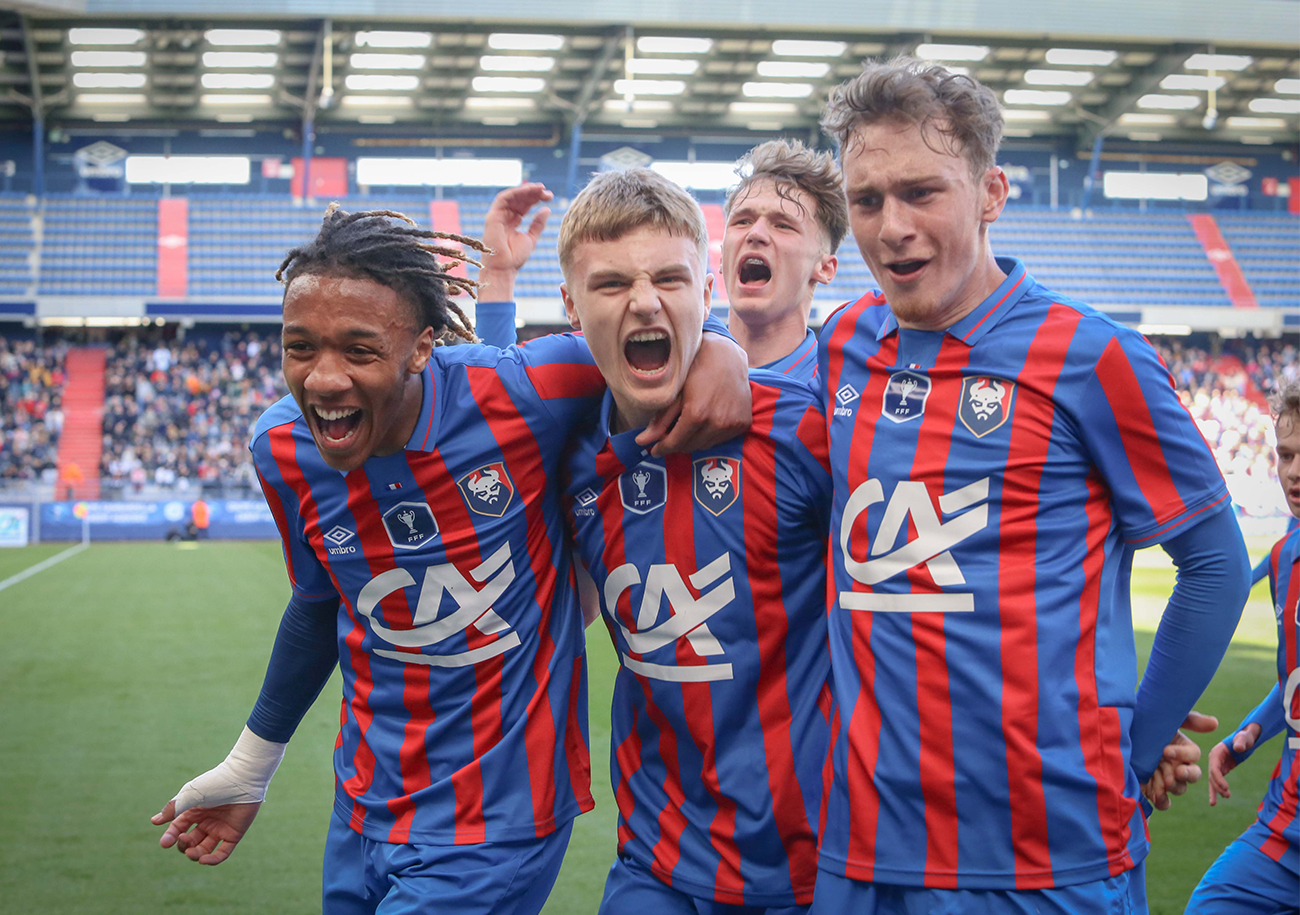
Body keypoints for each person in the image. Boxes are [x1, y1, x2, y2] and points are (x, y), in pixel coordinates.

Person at [150, 195, 751, 915]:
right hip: (364, 808)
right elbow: (317, 605)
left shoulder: (532, 390)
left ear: (423, 346)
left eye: (360, 349)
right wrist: (250, 765)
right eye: (299, 346)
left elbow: (642, 331)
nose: (323, 378)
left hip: (497, 820)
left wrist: (722, 346)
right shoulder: (281, 447)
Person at [809, 57, 1251, 913]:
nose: (892, 225)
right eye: (867, 201)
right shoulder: (846, 343)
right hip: (862, 850)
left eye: (922, 191)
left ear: (991, 192)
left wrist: (1136, 738)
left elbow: (1217, 566)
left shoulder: (1094, 356)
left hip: (1045, 859)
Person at [557, 166, 833, 913]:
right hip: (657, 858)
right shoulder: (557, 449)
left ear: (706, 295)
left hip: (815, 867)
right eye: (611, 284)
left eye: (671, 280)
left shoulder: (805, 427)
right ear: (571, 312)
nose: (645, 301)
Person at [1188, 380, 1300, 915]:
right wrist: (1249, 734)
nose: (1294, 471)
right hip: (1285, 832)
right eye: (1286, 455)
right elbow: (1294, 682)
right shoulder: (1284, 559)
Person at [720, 139, 844, 379]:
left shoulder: (837, 393)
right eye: (742, 221)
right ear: (723, 255)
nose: (755, 234)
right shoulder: (675, 376)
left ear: (826, 268)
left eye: (783, 225)